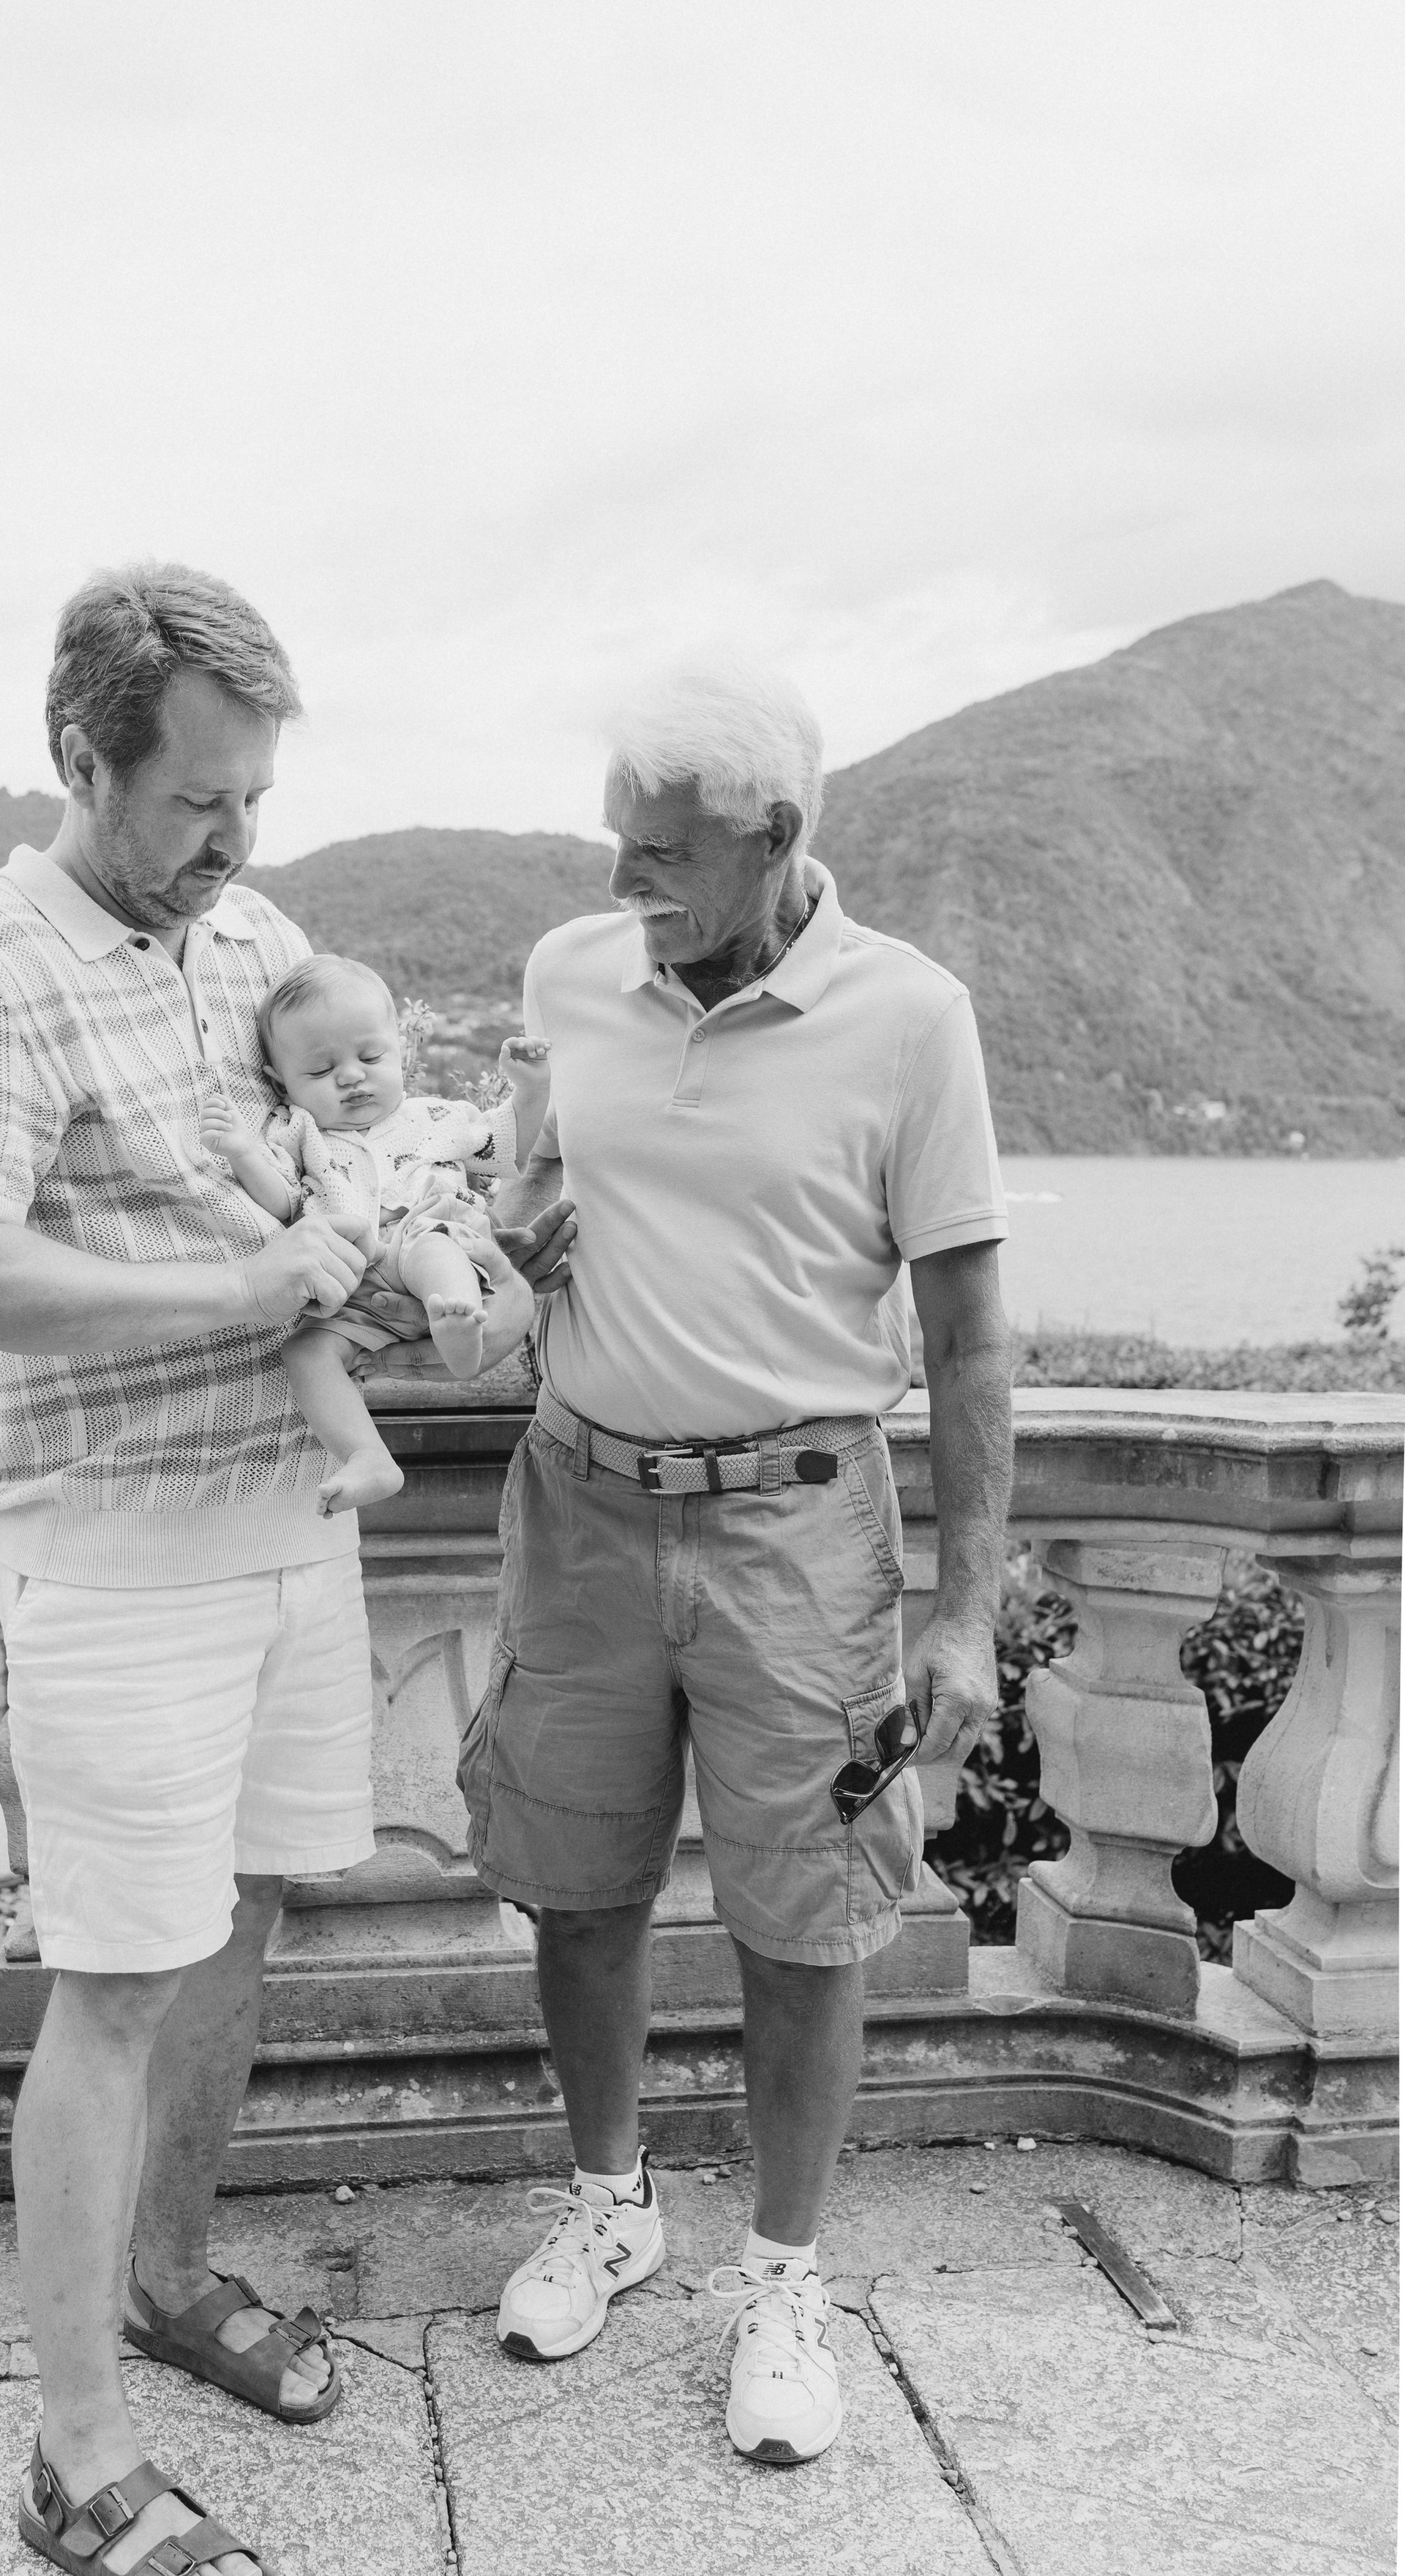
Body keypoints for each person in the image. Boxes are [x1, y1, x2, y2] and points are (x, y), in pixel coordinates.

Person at [0, 558, 553, 2576]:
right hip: (111, 1553)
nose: (235, 841)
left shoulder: (255, 940)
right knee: (112, 1980)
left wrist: (422, 1285)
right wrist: (240, 1292)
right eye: (195, 800)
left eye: (255, 797)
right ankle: (74, 2455)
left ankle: (168, 2277)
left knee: (239, 1920)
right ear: (81, 758)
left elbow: (336, 1172)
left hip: (286, 1527)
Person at [462, 654, 1013, 2465]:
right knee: (576, 1885)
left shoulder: (908, 1014)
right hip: (579, 1505)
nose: (619, 877)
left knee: (808, 1915)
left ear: (773, 836)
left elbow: (965, 1338)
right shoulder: (567, 975)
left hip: (798, 1529)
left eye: (660, 850)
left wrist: (964, 1612)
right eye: (613, 839)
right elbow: (517, 1203)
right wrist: (509, 1231)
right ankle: (608, 2202)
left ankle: (783, 2277)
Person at [204, 952, 552, 1507]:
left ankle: (459, 1325)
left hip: (425, 1235)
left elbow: (508, 1141)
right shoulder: (299, 1134)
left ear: (398, 1047)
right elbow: (282, 1200)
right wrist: (243, 1152)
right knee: (306, 1353)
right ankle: (367, 1456)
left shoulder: (433, 1118)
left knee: (434, 1245)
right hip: (354, 1283)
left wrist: (531, 1089)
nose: (351, 1076)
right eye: (320, 1072)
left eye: (371, 1057)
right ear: (280, 1082)